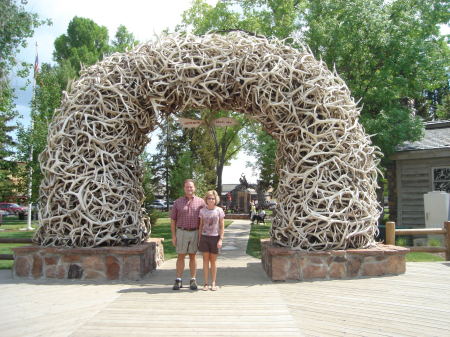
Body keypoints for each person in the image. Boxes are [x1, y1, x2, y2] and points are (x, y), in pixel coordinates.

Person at [170, 179, 206, 290]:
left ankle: (193, 280)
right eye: (187, 187)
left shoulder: (201, 202)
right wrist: (174, 236)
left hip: (195, 232)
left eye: (191, 187)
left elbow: (204, 219)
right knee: (180, 256)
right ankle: (178, 280)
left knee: (192, 256)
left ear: (194, 188)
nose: (189, 189)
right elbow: (173, 220)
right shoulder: (177, 202)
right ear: (184, 188)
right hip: (181, 231)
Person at [198, 190, 225, 291]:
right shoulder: (202, 211)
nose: (211, 200)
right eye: (209, 198)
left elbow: (222, 226)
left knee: (213, 261)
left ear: (215, 199)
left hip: (215, 237)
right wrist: (199, 238)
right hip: (204, 238)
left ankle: (213, 283)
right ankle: (205, 283)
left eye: (213, 198)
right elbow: (200, 225)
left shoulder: (219, 210)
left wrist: (221, 239)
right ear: (206, 199)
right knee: (205, 261)